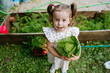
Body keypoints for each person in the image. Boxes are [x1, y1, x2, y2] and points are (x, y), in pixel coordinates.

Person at [43, 3, 81, 73]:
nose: (60, 23)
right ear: (52, 19)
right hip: (55, 54)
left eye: (64, 20)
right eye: (57, 20)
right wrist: (59, 56)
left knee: (65, 63)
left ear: (69, 20)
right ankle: (54, 66)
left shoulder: (72, 32)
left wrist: (77, 55)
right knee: (54, 61)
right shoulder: (51, 32)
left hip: (66, 55)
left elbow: (77, 44)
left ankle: (64, 69)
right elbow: (50, 47)